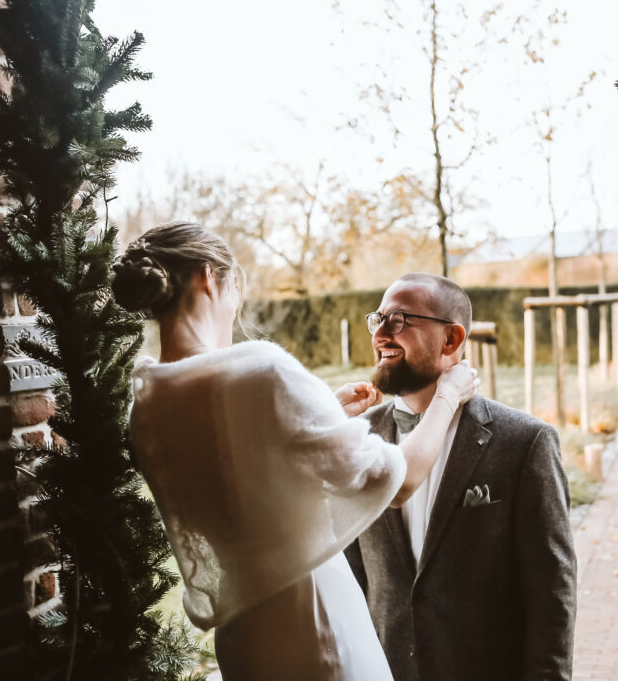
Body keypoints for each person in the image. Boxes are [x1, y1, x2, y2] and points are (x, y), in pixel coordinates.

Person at [111, 222, 478, 681]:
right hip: (315, 622)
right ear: (209, 276)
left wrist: (326, 415)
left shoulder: (146, 407)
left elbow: (238, 466)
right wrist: (448, 394)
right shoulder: (261, 370)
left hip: (243, 638)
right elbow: (397, 480)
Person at [345, 273, 578, 681]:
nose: (380, 334)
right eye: (377, 319)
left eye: (398, 320)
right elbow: (351, 580)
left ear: (451, 340)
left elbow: (551, 594)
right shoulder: (358, 437)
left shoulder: (525, 443)